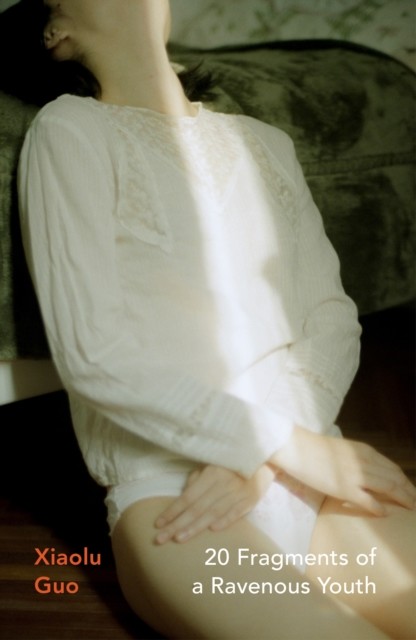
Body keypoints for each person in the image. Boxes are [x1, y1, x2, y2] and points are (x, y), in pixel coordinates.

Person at [16, 1, 415, 638]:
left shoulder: (266, 141)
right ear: (55, 31)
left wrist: (269, 457)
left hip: (314, 470)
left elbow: (332, 317)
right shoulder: (69, 130)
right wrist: (282, 448)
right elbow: (94, 356)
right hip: (177, 496)